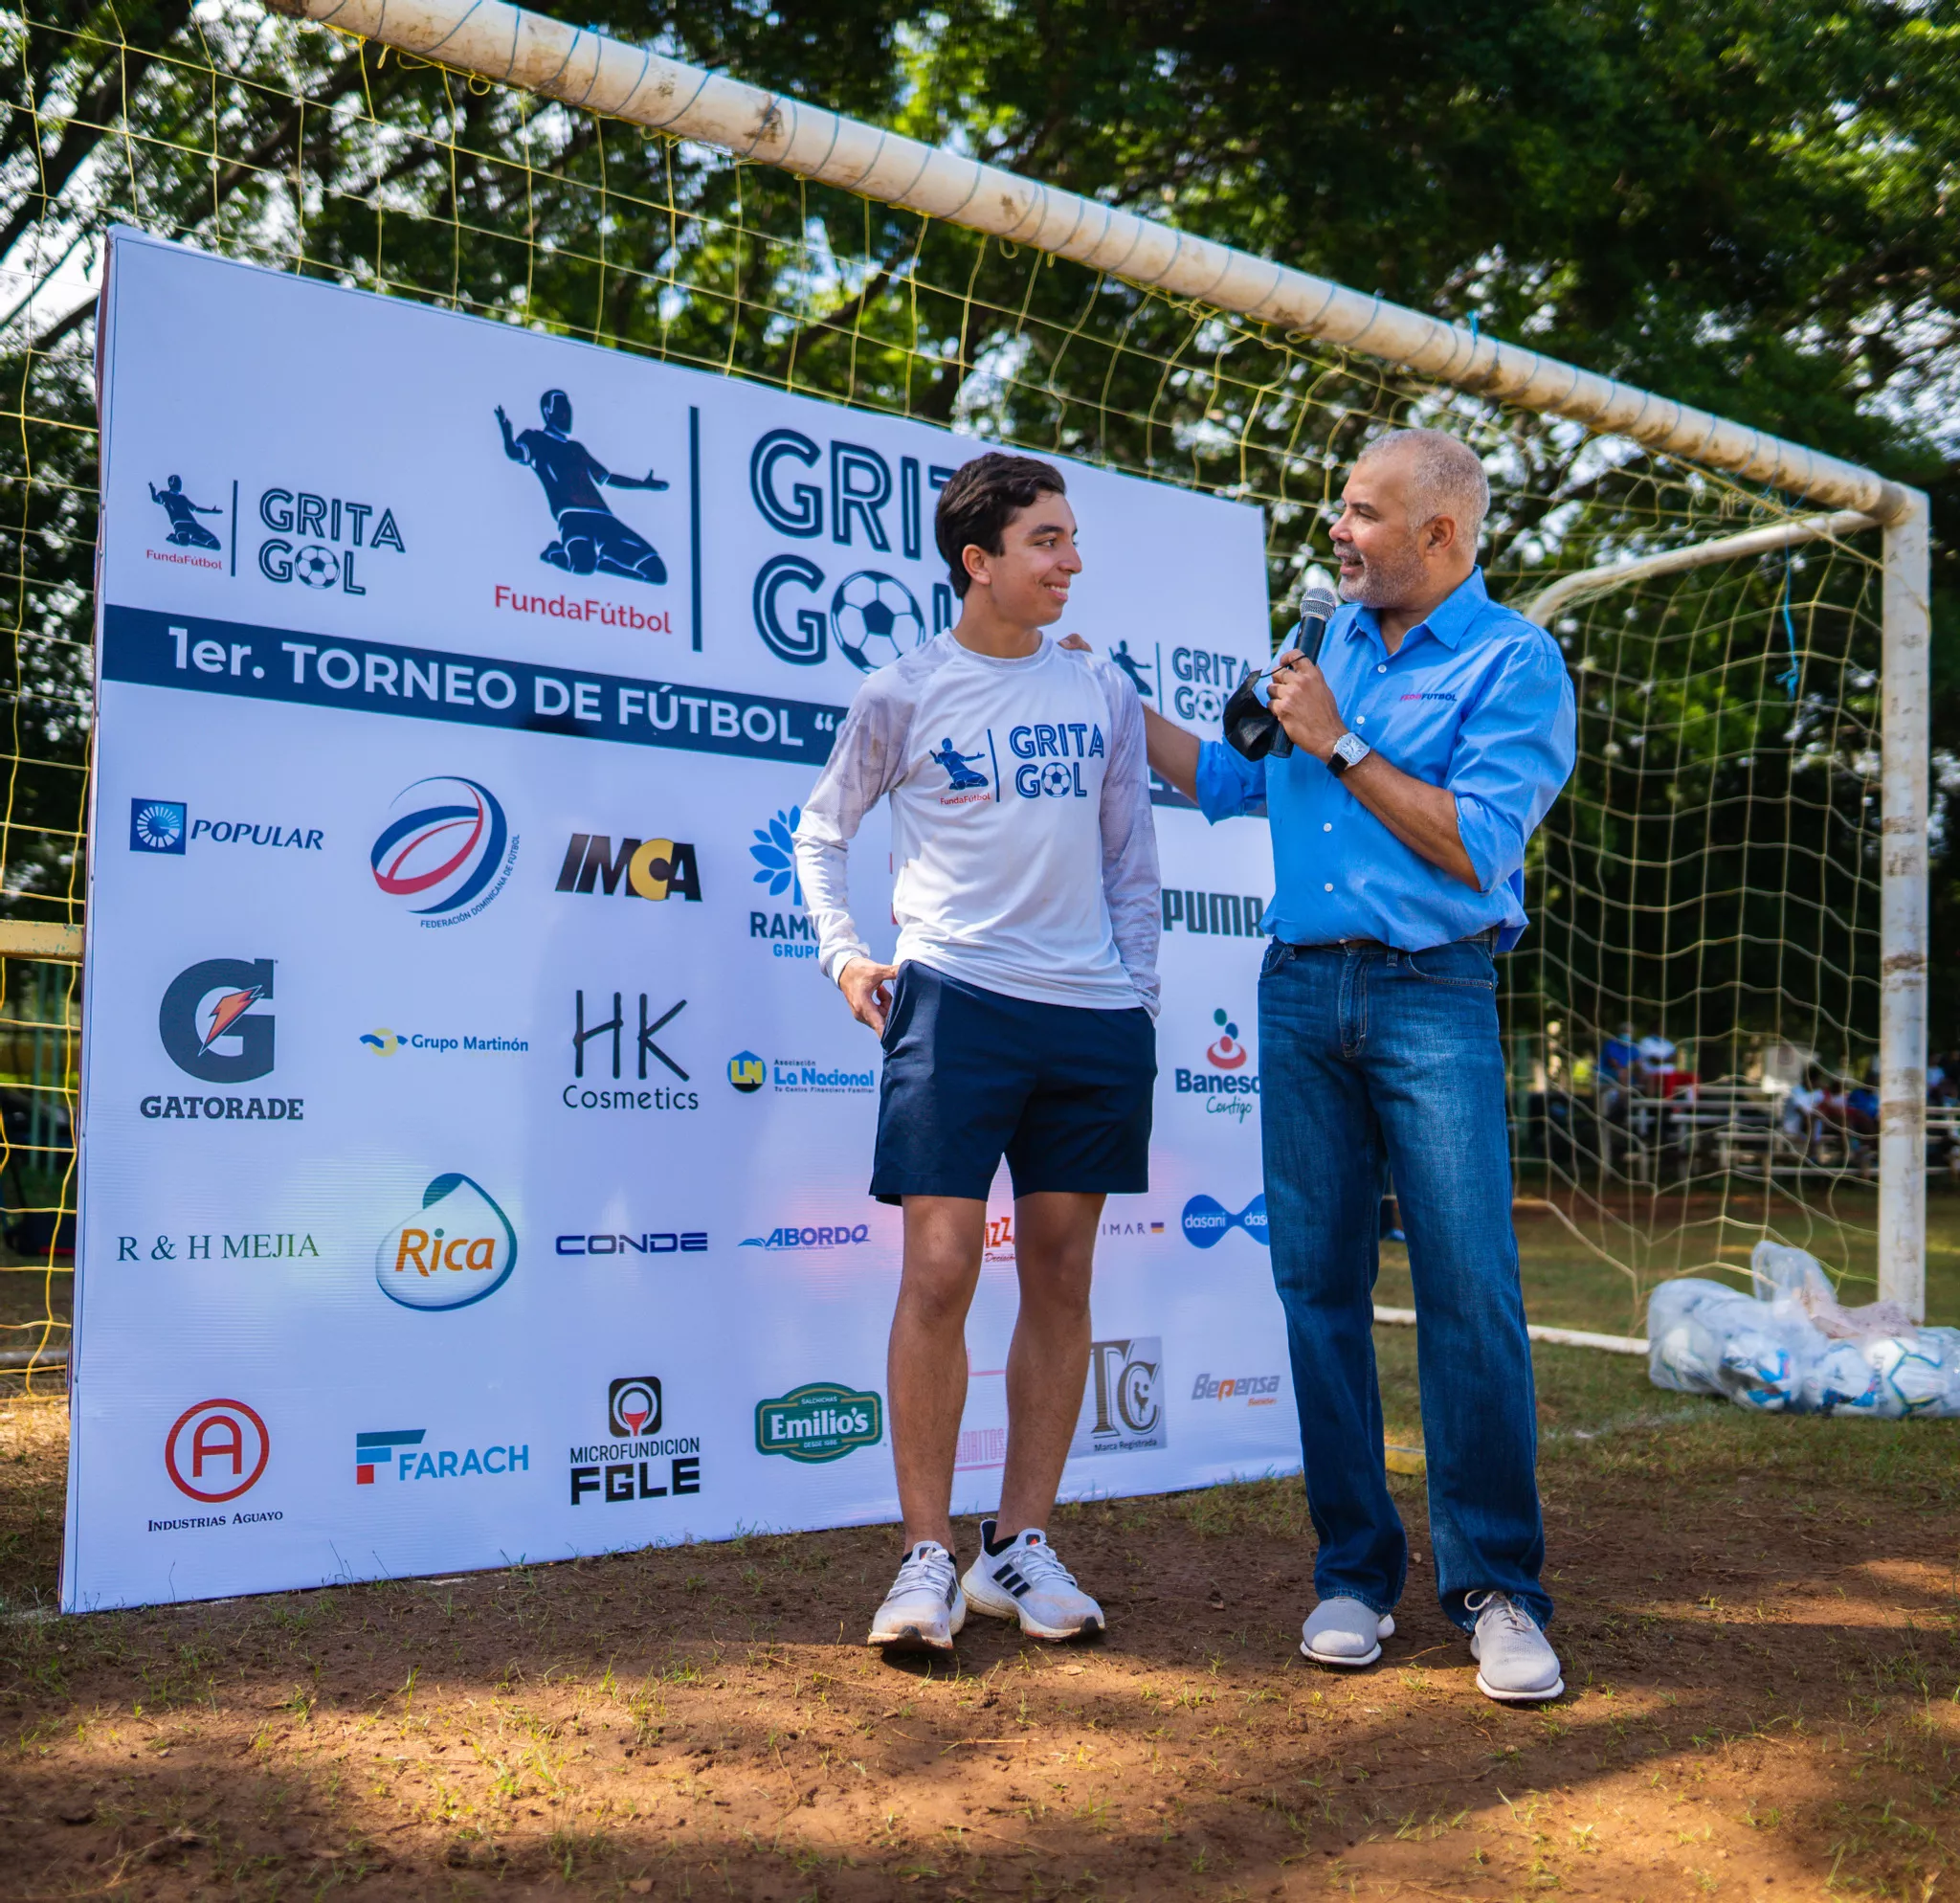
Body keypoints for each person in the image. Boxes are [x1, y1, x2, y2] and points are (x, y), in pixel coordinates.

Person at [1141, 427, 1576, 1704]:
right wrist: (1103, 701)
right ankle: (1353, 1574)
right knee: (1316, 1288)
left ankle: (1498, 1587)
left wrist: (1338, 743)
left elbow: (1479, 847)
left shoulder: (1514, 660)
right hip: (1298, 992)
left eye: (1366, 514)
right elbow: (1225, 779)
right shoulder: (1324, 645)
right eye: (1341, 509)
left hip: (1433, 993)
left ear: (1442, 535)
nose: (1340, 532)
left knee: (1470, 1289)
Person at [793, 452, 1159, 1656]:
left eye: (1070, 538)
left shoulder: (1100, 689)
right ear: (979, 562)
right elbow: (819, 830)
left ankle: (1020, 1542)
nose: (1070, 561)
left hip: (1090, 1018)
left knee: (1059, 1273)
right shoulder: (901, 692)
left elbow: (1128, 862)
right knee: (940, 1267)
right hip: (954, 1000)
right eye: (1046, 541)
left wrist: (1139, 1000)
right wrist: (850, 956)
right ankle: (923, 1555)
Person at [495, 390, 670, 583]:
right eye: (561, 409)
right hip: (573, 517)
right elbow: (515, 453)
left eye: (568, 409)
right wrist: (506, 434)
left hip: (604, 518)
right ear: (547, 412)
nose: (567, 415)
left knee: (657, 573)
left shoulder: (576, 448)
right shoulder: (535, 439)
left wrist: (643, 484)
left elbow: (606, 477)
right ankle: (557, 554)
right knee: (583, 567)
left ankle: (599, 559)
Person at [148, 475, 222, 549]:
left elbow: (196, 509)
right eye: (178, 482)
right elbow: (157, 499)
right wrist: (153, 492)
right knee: (184, 542)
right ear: (172, 483)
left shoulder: (182, 498)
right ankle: (182, 539)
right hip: (180, 524)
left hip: (193, 525)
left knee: (216, 545)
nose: (180, 485)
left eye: (180, 482)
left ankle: (184, 539)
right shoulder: (165, 494)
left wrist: (211, 511)